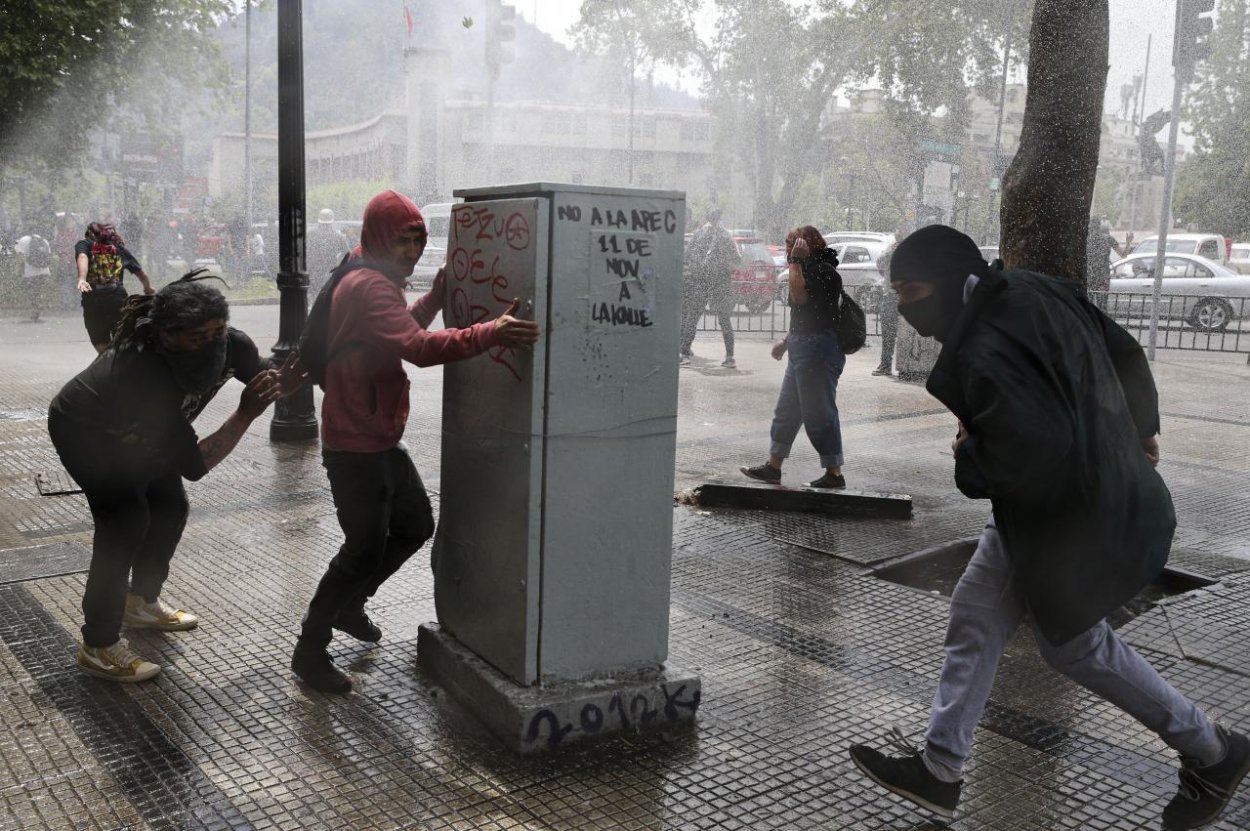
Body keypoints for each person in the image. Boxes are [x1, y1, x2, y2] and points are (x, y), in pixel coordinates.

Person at [848, 225, 1250, 831]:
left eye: (911, 290)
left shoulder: (983, 345)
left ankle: (1214, 751)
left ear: (954, 282)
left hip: (1070, 513)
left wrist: (967, 453)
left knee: (1073, 646)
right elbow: (1122, 350)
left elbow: (1029, 448)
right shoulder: (1036, 289)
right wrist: (1143, 426)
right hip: (1066, 499)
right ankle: (940, 766)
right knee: (978, 614)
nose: (904, 306)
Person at [291, 190, 541, 694]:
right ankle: (309, 648)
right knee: (361, 550)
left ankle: (350, 604)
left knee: (414, 524)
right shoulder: (370, 286)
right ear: (381, 237)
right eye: (403, 240)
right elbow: (418, 349)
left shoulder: (363, 266)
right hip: (356, 443)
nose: (410, 251)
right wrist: (491, 331)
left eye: (418, 241)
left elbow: (399, 331)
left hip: (374, 433)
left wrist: (436, 297)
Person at [47, 275, 305, 683]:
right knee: (127, 519)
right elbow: (196, 464)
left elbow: (262, 376)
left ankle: (140, 602)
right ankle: (98, 646)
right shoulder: (141, 372)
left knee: (169, 507)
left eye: (217, 331)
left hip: (149, 431)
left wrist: (283, 384)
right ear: (166, 338)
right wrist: (245, 414)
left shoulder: (233, 345)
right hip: (87, 431)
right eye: (197, 338)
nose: (213, 344)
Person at [740, 226, 847, 489]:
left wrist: (796, 262)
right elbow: (804, 316)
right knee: (787, 411)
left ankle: (834, 472)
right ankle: (773, 467)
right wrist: (787, 342)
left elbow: (800, 298)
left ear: (808, 244)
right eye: (788, 244)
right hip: (802, 348)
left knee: (819, 414)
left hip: (818, 351)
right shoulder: (807, 268)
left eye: (793, 244)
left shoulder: (823, 271)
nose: (789, 249)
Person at [75, 222, 155, 353]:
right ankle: (119, 363)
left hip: (93, 299)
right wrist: (148, 288)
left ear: (89, 233)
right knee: (121, 338)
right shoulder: (118, 249)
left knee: (100, 341)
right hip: (117, 298)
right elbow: (142, 274)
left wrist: (82, 278)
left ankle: (108, 361)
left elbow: (82, 256)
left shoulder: (85, 244)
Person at [679, 208, 738, 368]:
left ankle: (684, 354)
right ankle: (730, 357)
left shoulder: (699, 234)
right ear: (720, 217)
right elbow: (736, 260)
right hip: (720, 282)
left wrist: (694, 268)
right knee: (725, 321)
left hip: (701, 282)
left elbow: (687, 256)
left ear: (707, 217)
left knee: (692, 318)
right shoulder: (725, 235)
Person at [872, 225, 910, 377]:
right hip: (894, 295)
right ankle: (888, 364)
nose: (898, 233)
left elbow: (881, 264)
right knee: (889, 332)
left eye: (901, 230)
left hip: (898, 297)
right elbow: (880, 265)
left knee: (895, 333)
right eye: (898, 230)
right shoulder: (894, 248)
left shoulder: (899, 249)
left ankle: (899, 366)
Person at [1086, 216, 1131, 309]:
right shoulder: (1107, 238)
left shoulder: (1086, 239)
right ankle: (1100, 322)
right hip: (1103, 277)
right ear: (1099, 226)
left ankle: (1089, 322)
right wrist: (1128, 243)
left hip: (1089, 276)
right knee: (1102, 306)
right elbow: (1123, 254)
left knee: (1087, 306)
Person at [307, 208, 350, 296]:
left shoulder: (310, 234)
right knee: (327, 294)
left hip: (314, 268)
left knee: (313, 294)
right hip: (330, 269)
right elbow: (347, 253)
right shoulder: (338, 235)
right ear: (332, 222)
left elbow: (304, 250)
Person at [16, 230, 53, 321]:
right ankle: (37, 305)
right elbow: (48, 256)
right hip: (44, 271)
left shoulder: (23, 239)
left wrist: (18, 270)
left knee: (31, 290)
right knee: (37, 290)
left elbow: (20, 256)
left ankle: (35, 308)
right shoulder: (44, 240)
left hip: (30, 272)